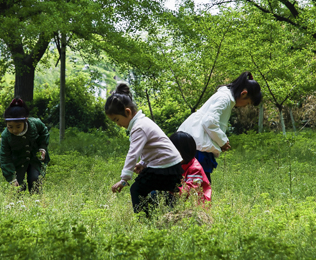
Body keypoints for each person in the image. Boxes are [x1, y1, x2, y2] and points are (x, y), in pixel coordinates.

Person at [106, 83, 183, 217]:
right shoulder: (142, 123)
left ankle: (144, 221)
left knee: (137, 189)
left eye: (117, 120)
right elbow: (152, 150)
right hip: (173, 166)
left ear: (127, 112)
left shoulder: (138, 127)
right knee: (160, 192)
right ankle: (169, 215)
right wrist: (142, 164)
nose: (118, 124)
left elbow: (133, 153)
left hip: (165, 167)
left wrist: (124, 179)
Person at [178, 71, 262, 184]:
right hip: (198, 146)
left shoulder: (226, 98)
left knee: (188, 183)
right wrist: (222, 141)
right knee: (199, 185)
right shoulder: (224, 99)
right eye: (247, 103)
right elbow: (209, 122)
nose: (244, 106)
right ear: (244, 93)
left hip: (194, 143)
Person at [0, 98, 50, 194]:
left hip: (33, 158)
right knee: (18, 186)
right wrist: (12, 178)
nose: (14, 130)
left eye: (18, 126)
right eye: (10, 127)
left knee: (35, 179)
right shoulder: (6, 136)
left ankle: (36, 202)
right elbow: (5, 158)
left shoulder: (35, 124)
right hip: (17, 161)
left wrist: (42, 147)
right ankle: (18, 205)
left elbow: (44, 131)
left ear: (25, 121)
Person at [170, 131, 211, 202]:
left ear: (184, 152)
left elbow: (189, 192)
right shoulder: (179, 163)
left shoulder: (195, 169)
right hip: (180, 198)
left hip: (196, 203)